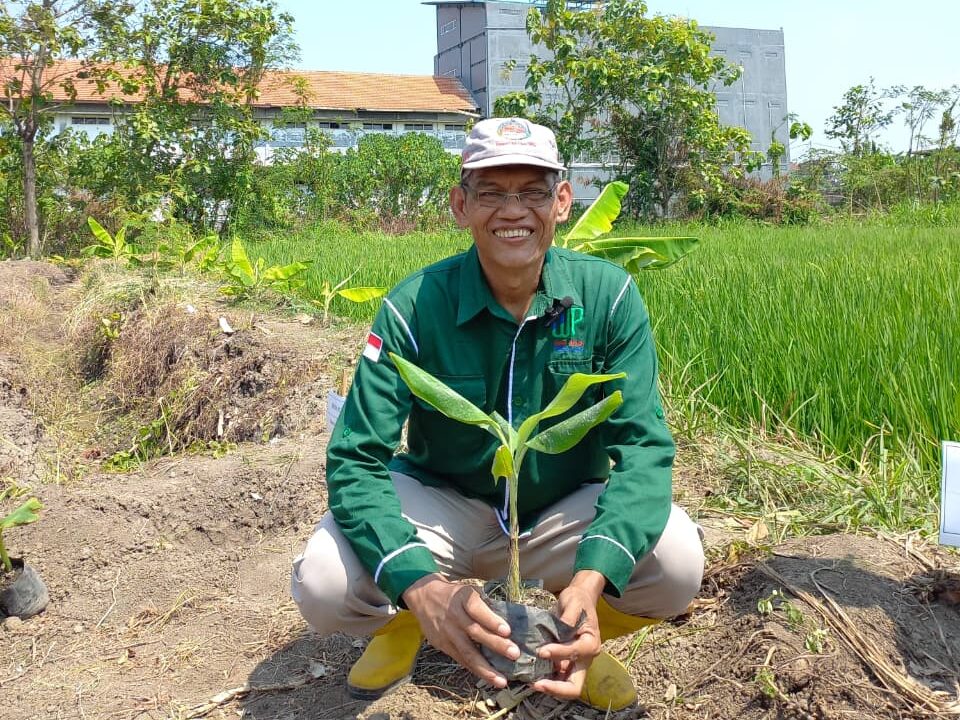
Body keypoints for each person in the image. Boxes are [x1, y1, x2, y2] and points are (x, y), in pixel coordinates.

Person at [291, 117, 704, 711]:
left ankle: (579, 639)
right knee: (325, 584)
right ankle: (408, 623)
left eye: (532, 191)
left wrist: (590, 578)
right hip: (445, 504)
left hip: (558, 512)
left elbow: (644, 448)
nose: (514, 210)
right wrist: (419, 585)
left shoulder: (607, 297)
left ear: (561, 201)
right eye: (492, 192)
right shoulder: (414, 306)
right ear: (461, 205)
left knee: (677, 562)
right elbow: (355, 457)